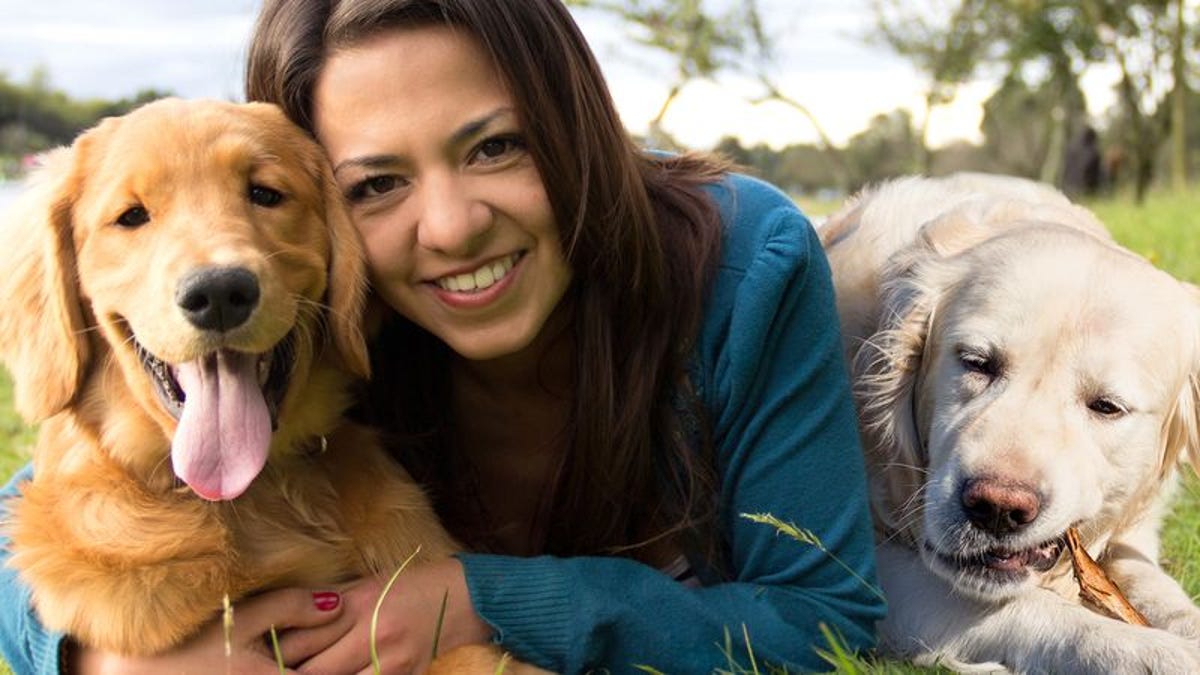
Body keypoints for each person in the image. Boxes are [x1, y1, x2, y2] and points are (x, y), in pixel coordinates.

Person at [0, 0, 885, 672]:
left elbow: (822, 618)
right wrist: (92, 655)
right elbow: (29, 525)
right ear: (335, 212)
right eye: (377, 182)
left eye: (497, 146)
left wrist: (488, 598)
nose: (453, 227)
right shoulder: (320, 318)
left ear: (571, 120)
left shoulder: (743, 264)